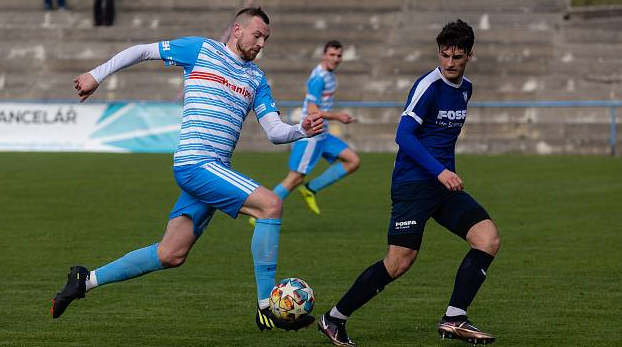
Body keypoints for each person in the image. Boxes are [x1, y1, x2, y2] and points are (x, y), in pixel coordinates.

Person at [51, 7, 323, 333]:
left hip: (215, 169)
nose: (261, 43)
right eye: (257, 35)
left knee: (171, 254)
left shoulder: (256, 79)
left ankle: (85, 280)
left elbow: (275, 131)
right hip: (195, 163)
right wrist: (96, 74)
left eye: (266, 38)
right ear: (237, 30)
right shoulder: (201, 50)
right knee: (271, 204)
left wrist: (301, 129)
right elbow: (143, 51)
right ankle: (267, 308)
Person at [317, 20, 500, 346]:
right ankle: (334, 319)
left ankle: (455, 317)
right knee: (399, 262)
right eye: (444, 55)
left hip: (442, 187)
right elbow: (404, 135)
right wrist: (440, 171)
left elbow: (442, 140)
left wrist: (446, 174)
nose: (449, 62)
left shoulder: (466, 89)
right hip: (413, 182)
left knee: (487, 239)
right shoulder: (428, 86)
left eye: (457, 56)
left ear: (469, 55)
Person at [255, 40, 359, 222]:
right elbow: (312, 111)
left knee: (353, 161)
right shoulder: (318, 79)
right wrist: (338, 117)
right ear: (324, 55)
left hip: (324, 134)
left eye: (339, 55)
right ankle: (262, 211)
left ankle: (311, 189)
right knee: (294, 178)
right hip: (312, 135)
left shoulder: (330, 75)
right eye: (332, 55)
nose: (336, 59)